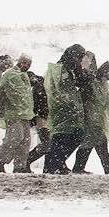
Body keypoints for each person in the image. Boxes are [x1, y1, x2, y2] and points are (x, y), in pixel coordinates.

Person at [43, 45, 90, 174]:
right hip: (62, 110)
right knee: (61, 137)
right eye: (78, 58)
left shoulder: (69, 70)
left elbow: (80, 83)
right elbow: (58, 90)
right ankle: (53, 166)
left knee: (76, 135)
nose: (79, 61)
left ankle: (57, 163)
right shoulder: (59, 69)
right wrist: (67, 104)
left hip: (70, 111)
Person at [73, 61, 109, 175]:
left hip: (96, 119)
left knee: (89, 143)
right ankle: (108, 168)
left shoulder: (102, 84)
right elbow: (82, 98)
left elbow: (106, 100)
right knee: (99, 142)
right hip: (90, 118)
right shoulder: (92, 83)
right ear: (104, 72)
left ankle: (78, 168)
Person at [0, 55, 36, 173]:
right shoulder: (10, 75)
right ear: (19, 62)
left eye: (29, 64)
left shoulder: (23, 75)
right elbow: (6, 93)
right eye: (24, 63)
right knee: (14, 139)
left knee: (25, 141)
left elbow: (25, 96)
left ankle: (20, 166)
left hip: (25, 114)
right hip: (14, 113)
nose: (26, 66)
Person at [23, 67, 51, 173]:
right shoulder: (42, 83)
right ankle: (47, 166)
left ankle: (28, 160)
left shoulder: (37, 87)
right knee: (48, 143)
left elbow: (36, 105)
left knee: (47, 143)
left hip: (43, 118)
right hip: (45, 117)